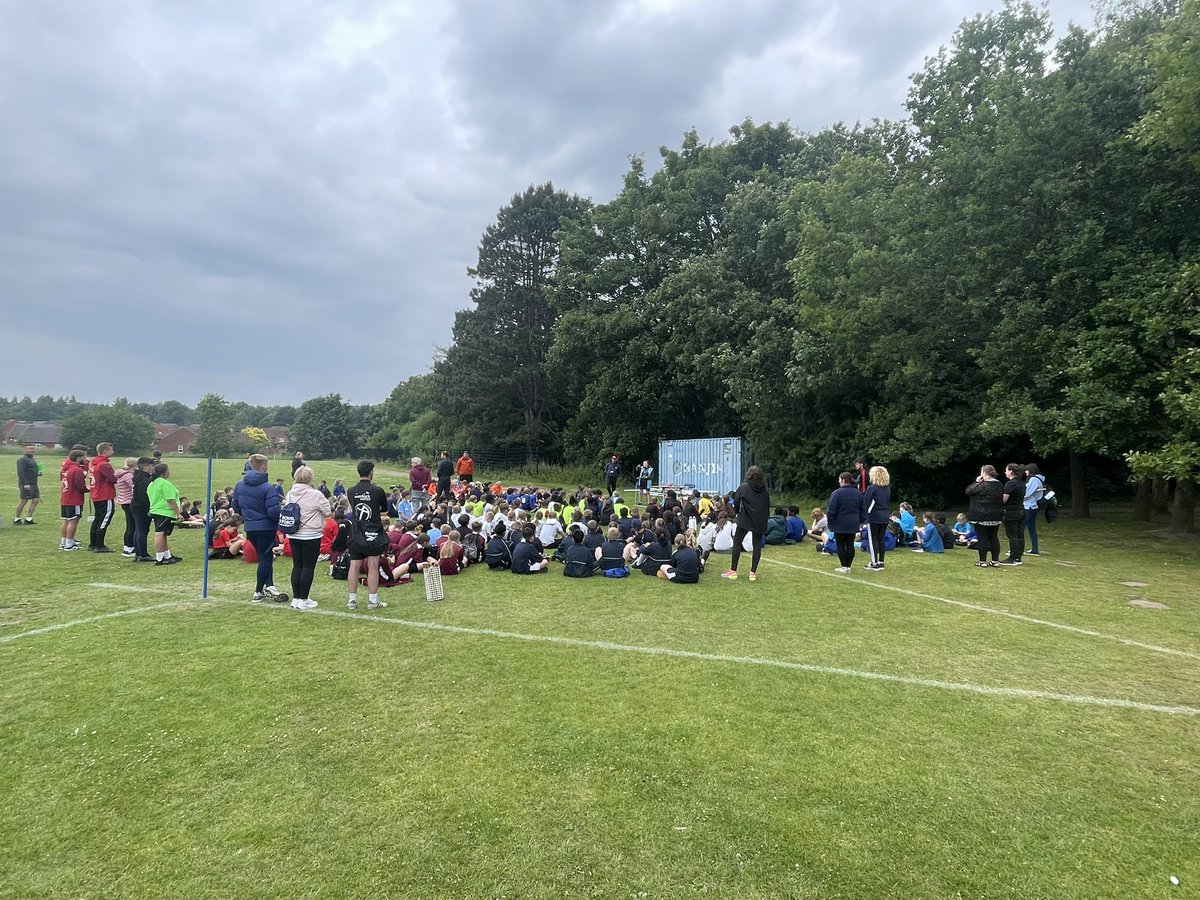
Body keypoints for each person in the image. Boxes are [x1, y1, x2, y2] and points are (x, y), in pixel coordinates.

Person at [232, 453, 289, 602]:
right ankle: (258, 591)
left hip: (250, 528)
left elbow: (235, 506)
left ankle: (269, 585)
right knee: (264, 558)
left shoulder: (239, 485)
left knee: (266, 557)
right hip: (266, 528)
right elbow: (273, 511)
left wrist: (249, 516)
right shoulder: (267, 487)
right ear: (263, 466)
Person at [285, 465, 331, 610]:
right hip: (311, 533)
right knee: (308, 566)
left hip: (294, 532)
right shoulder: (316, 494)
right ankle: (304, 598)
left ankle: (296, 598)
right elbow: (327, 511)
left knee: (297, 565)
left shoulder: (290, 493)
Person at [346, 459, 390, 610]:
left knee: (354, 565)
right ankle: (372, 601)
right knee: (372, 565)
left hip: (357, 530)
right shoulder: (378, 491)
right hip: (373, 530)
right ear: (371, 472)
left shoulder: (351, 491)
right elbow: (384, 510)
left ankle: (352, 600)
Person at [721, 465, 770, 582]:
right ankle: (753, 573)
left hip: (746, 518)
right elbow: (767, 504)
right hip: (760, 519)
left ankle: (733, 571)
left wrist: (737, 512)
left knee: (737, 542)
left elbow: (737, 502)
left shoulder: (744, 487)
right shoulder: (764, 489)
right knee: (757, 545)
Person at [827, 472, 866, 573]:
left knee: (840, 544)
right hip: (853, 523)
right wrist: (862, 521)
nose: (839, 482)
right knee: (850, 544)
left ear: (843, 480)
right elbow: (863, 509)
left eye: (840, 480)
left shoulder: (836, 493)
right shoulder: (858, 494)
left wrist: (830, 522)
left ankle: (844, 565)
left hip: (839, 523)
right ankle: (848, 565)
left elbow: (831, 509)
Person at [965, 465, 1005, 567]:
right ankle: (995, 560)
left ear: (984, 473)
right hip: (996, 515)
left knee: (982, 538)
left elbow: (968, 491)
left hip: (981, 515)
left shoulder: (982, 485)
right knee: (993, 537)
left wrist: (977, 481)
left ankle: (982, 561)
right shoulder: (999, 485)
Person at [146, 462, 183, 565]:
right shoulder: (165, 483)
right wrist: (178, 513)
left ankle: (167, 555)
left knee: (164, 535)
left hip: (156, 510)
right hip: (164, 512)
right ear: (164, 472)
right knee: (160, 534)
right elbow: (170, 500)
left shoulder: (152, 483)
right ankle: (159, 558)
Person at [88, 442, 118, 552]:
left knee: (97, 518)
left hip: (96, 493)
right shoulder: (104, 464)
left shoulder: (94, 463)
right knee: (105, 519)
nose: (112, 452)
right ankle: (99, 545)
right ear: (105, 451)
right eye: (111, 450)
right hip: (104, 494)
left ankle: (93, 543)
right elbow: (113, 479)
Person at [863, 465, 892, 571]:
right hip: (885, 516)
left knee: (873, 539)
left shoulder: (872, 489)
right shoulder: (887, 489)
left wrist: (864, 517)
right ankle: (881, 561)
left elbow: (866, 503)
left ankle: (874, 562)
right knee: (881, 538)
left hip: (874, 516)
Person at [58, 448, 88, 551]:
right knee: (73, 521)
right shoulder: (77, 470)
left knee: (66, 521)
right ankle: (69, 544)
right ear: (78, 458)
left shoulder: (66, 469)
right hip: (74, 499)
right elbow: (80, 486)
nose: (85, 459)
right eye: (83, 457)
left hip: (65, 498)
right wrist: (87, 489)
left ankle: (64, 541)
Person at [999, 463, 1026, 566]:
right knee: (1020, 534)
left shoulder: (1010, 484)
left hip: (1011, 512)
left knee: (1012, 535)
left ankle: (1013, 557)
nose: (1005, 472)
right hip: (1021, 510)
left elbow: (1004, 499)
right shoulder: (1021, 483)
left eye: (1006, 470)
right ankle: (1018, 557)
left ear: (1010, 471)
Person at [130, 457, 155, 562]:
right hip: (141, 507)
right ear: (146, 467)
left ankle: (138, 553)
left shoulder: (137, 477)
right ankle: (143, 554)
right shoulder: (145, 480)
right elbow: (144, 496)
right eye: (151, 466)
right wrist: (149, 508)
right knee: (142, 531)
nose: (152, 468)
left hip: (135, 505)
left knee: (137, 530)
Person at [1023, 463, 1045, 556]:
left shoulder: (1033, 480)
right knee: (1031, 528)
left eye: (1027, 470)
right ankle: (1035, 549)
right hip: (1033, 506)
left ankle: (1018, 549)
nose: (1025, 472)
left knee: (1020, 527)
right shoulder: (1038, 479)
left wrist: (1019, 497)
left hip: (1030, 506)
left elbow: (1027, 493)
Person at [15, 444, 40, 525]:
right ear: (25, 450)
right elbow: (20, 472)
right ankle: (17, 519)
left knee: (36, 500)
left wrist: (38, 473)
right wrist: (25, 484)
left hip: (34, 484)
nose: (32, 450)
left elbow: (31, 470)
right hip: (26, 484)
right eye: (30, 449)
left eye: (33, 449)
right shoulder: (22, 460)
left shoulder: (33, 459)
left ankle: (28, 518)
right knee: (23, 501)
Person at [116, 457, 136, 555]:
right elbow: (134, 487)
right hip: (129, 502)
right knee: (131, 525)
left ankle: (128, 546)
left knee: (130, 524)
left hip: (124, 501)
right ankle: (129, 547)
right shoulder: (128, 475)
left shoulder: (123, 474)